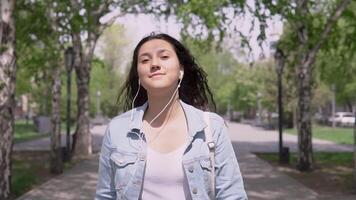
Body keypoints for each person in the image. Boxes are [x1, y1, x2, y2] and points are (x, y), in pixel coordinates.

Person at [95, 33, 247, 200]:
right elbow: (105, 195)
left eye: (164, 56)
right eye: (145, 60)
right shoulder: (118, 129)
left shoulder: (211, 127)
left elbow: (233, 195)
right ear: (138, 75)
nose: (154, 64)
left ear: (181, 70)